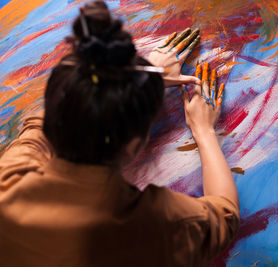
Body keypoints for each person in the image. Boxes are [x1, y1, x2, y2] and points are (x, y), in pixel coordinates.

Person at [0, 1, 239, 266]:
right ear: (134, 145)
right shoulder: (149, 226)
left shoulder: (9, 180)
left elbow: (39, 127)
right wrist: (204, 131)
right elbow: (224, 217)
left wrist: (139, 79)